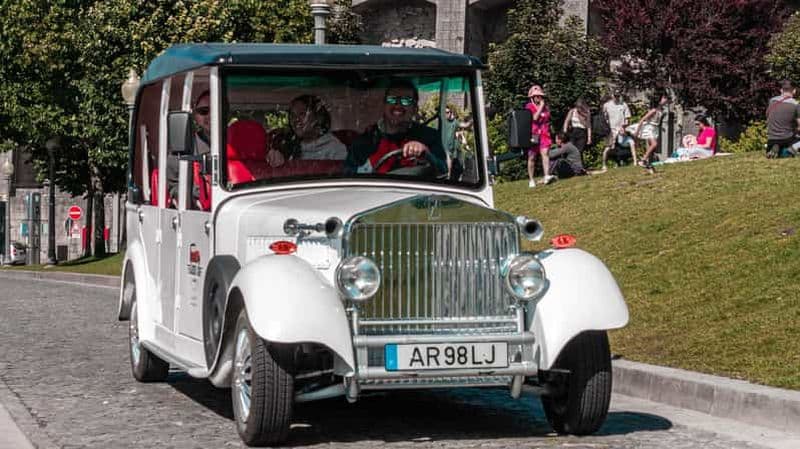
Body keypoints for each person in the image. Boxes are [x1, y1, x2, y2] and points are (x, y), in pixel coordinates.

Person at [345, 79, 447, 176]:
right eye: (392, 100)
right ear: (384, 106)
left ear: (415, 109)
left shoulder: (430, 137)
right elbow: (348, 176)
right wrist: (369, 164)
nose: (398, 105)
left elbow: (443, 171)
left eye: (405, 101)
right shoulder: (365, 141)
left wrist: (427, 155)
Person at [267, 95, 347, 167]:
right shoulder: (287, 145)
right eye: (292, 115)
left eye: (302, 114)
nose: (296, 120)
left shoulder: (335, 149)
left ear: (318, 117)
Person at [525, 85, 555, 188]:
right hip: (534, 134)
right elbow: (534, 118)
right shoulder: (529, 107)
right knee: (532, 156)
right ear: (532, 97)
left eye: (540, 96)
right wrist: (541, 107)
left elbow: (547, 118)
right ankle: (531, 179)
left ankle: (546, 175)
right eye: (536, 96)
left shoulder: (545, 107)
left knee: (545, 153)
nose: (539, 98)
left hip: (544, 133)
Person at [766, 80, 800, 158]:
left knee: (781, 140)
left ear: (781, 90)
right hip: (786, 139)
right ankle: (790, 150)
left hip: (771, 139)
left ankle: (776, 147)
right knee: (792, 139)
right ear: (794, 91)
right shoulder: (796, 104)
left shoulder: (772, 101)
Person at [636, 94, 669, 169]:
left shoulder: (661, 110)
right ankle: (643, 160)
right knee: (654, 144)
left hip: (655, 129)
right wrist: (637, 131)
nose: (666, 100)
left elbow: (657, 121)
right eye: (664, 98)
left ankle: (649, 166)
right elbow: (642, 119)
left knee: (652, 149)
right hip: (650, 128)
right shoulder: (654, 110)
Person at [602, 91, 632, 165]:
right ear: (612, 95)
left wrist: (624, 126)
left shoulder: (623, 105)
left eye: (618, 96)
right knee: (609, 148)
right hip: (611, 130)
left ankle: (621, 162)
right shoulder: (606, 105)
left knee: (623, 147)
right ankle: (604, 164)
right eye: (615, 96)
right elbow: (604, 118)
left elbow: (627, 118)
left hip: (621, 130)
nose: (616, 97)